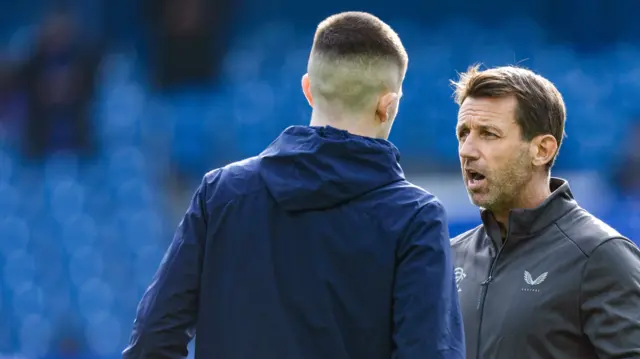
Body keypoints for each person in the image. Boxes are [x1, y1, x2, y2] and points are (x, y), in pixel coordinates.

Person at [123, 11, 465, 359]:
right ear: (387, 105)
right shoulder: (416, 218)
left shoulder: (222, 193)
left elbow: (153, 340)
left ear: (308, 90)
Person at [449, 64, 640, 359]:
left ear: (542, 150)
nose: (467, 150)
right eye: (464, 134)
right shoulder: (450, 257)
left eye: (488, 134)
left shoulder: (600, 256)